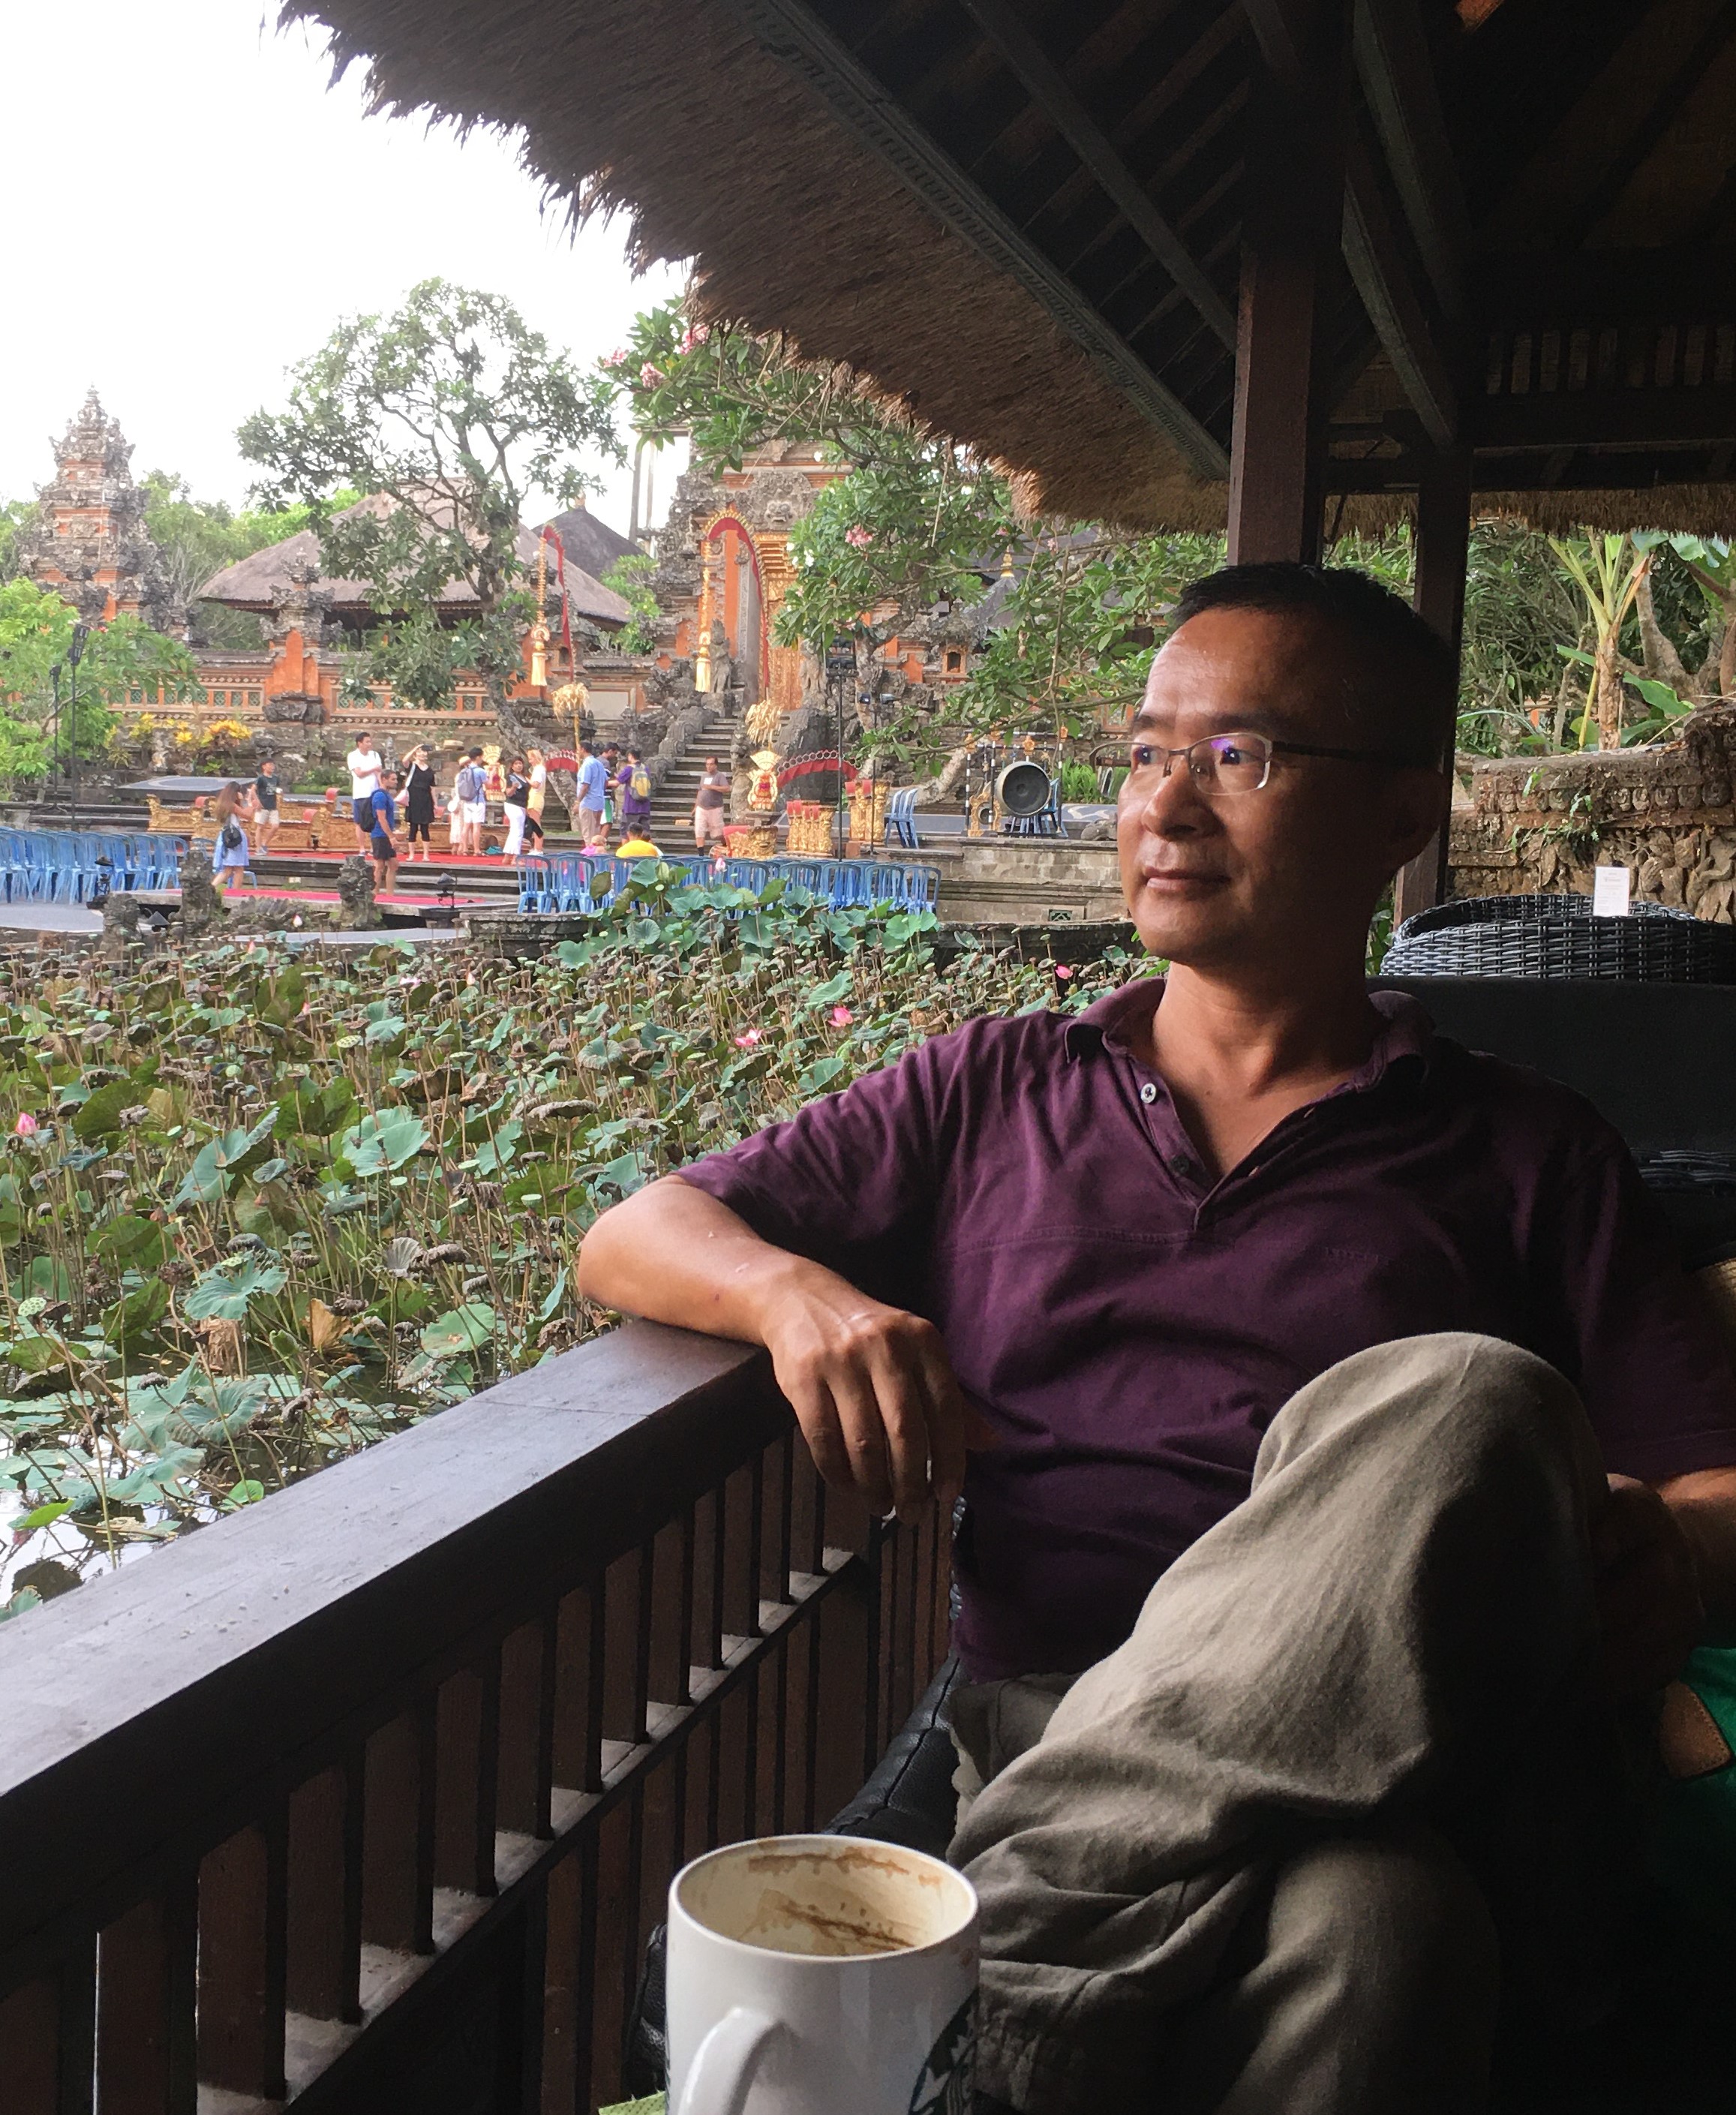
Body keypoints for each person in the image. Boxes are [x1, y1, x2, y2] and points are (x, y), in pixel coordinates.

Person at [578, 563, 1736, 2115]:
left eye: (1237, 754)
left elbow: (1713, 1482)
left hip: (1409, 1747)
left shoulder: (1525, 1149)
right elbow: (633, 1231)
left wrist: (1666, 1541)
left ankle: (993, 2002)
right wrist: (799, 1295)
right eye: (1142, 752)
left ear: (1400, 810)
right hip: (1058, 1724)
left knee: (1467, 1400)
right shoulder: (991, 1087)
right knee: (1381, 1931)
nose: (1163, 804)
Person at [210, 782, 253, 894]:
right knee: (239, 868)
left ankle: (211, 888)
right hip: (235, 837)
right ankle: (235, 893)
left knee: (228, 870)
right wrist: (247, 802)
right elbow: (248, 815)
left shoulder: (223, 804)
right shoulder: (231, 805)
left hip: (226, 835)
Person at [347, 733, 383, 854]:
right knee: (360, 821)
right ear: (360, 743)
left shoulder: (375, 755)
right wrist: (373, 768)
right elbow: (359, 773)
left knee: (375, 820)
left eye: (370, 742)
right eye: (367, 742)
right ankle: (362, 848)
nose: (369, 744)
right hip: (361, 793)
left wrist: (382, 788)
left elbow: (379, 772)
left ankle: (374, 847)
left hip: (374, 793)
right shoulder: (353, 756)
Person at [402, 746, 438, 863]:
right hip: (413, 800)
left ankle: (426, 855)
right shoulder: (412, 766)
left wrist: (435, 803)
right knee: (413, 828)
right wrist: (415, 748)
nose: (422, 754)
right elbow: (405, 761)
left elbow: (432, 788)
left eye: (424, 752)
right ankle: (411, 855)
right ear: (415, 754)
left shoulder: (429, 770)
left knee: (425, 828)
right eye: (420, 752)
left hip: (426, 800)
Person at [502, 755, 542, 857]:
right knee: (518, 831)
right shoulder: (511, 777)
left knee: (515, 831)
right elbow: (509, 793)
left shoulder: (525, 777)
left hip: (522, 805)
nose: (519, 766)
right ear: (512, 766)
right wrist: (514, 788)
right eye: (516, 764)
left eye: (520, 763)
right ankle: (515, 856)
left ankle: (507, 856)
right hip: (513, 804)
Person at [368, 773, 401, 895]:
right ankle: (375, 892)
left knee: (393, 864)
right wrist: (391, 837)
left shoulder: (387, 795)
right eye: (393, 779)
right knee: (380, 865)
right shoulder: (380, 796)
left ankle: (389, 893)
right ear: (384, 779)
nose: (395, 781)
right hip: (380, 834)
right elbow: (381, 818)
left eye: (396, 779)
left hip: (385, 834)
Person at [452, 747, 488, 857]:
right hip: (478, 800)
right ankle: (477, 850)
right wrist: (491, 774)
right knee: (476, 826)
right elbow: (488, 784)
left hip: (467, 801)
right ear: (478, 757)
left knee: (466, 826)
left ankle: (465, 849)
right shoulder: (480, 771)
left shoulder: (464, 771)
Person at [575, 738, 609, 850]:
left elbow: (585, 785)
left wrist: (578, 802)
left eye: (578, 750)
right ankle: (597, 855)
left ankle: (591, 856)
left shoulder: (587, 765)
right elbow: (606, 782)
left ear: (583, 750)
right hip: (599, 801)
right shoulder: (599, 764)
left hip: (588, 803)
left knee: (589, 836)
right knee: (596, 834)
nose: (577, 752)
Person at [617, 746, 653, 840]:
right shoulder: (646, 769)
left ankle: (627, 850)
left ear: (630, 756)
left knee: (626, 833)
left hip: (631, 807)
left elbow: (618, 782)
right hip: (645, 807)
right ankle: (650, 849)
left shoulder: (629, 769)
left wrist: (605, 783)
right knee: (645, 834)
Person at [693, 755, 728, 849]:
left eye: (711, 764)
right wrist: (696, 806)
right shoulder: (704, 776)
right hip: (701, 807)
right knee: (699, 831)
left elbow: (726, 788)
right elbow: (700, 791)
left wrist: (713, 787)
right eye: (707, 764)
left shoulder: (720, 776)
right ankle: (701, 854)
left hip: (715, 808)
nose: (709, 766)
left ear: (716, 765)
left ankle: (726, 845)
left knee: (718, 833)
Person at [251, 757, 281, 859]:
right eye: (270, 765)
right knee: (260, 827)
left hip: (273, 805)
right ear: (264, 767)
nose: (272, 767)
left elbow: (276, 789)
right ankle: (258, 848)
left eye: (273, 765)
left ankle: (264, 843)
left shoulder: (275, 778)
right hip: (263, 806)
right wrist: (257, 801)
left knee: (275, 826)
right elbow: (253, 790)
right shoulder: (261, 779)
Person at [526, 747, 549, 834]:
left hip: (536, 798)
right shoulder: (540, 769)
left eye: (531, 759)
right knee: (534, 824)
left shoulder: (538, 769)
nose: (530, 762)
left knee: (536, 824)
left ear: (535, 758)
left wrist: (526, 780)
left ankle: (538, 843)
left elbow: (536, 785)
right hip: (536, 797)